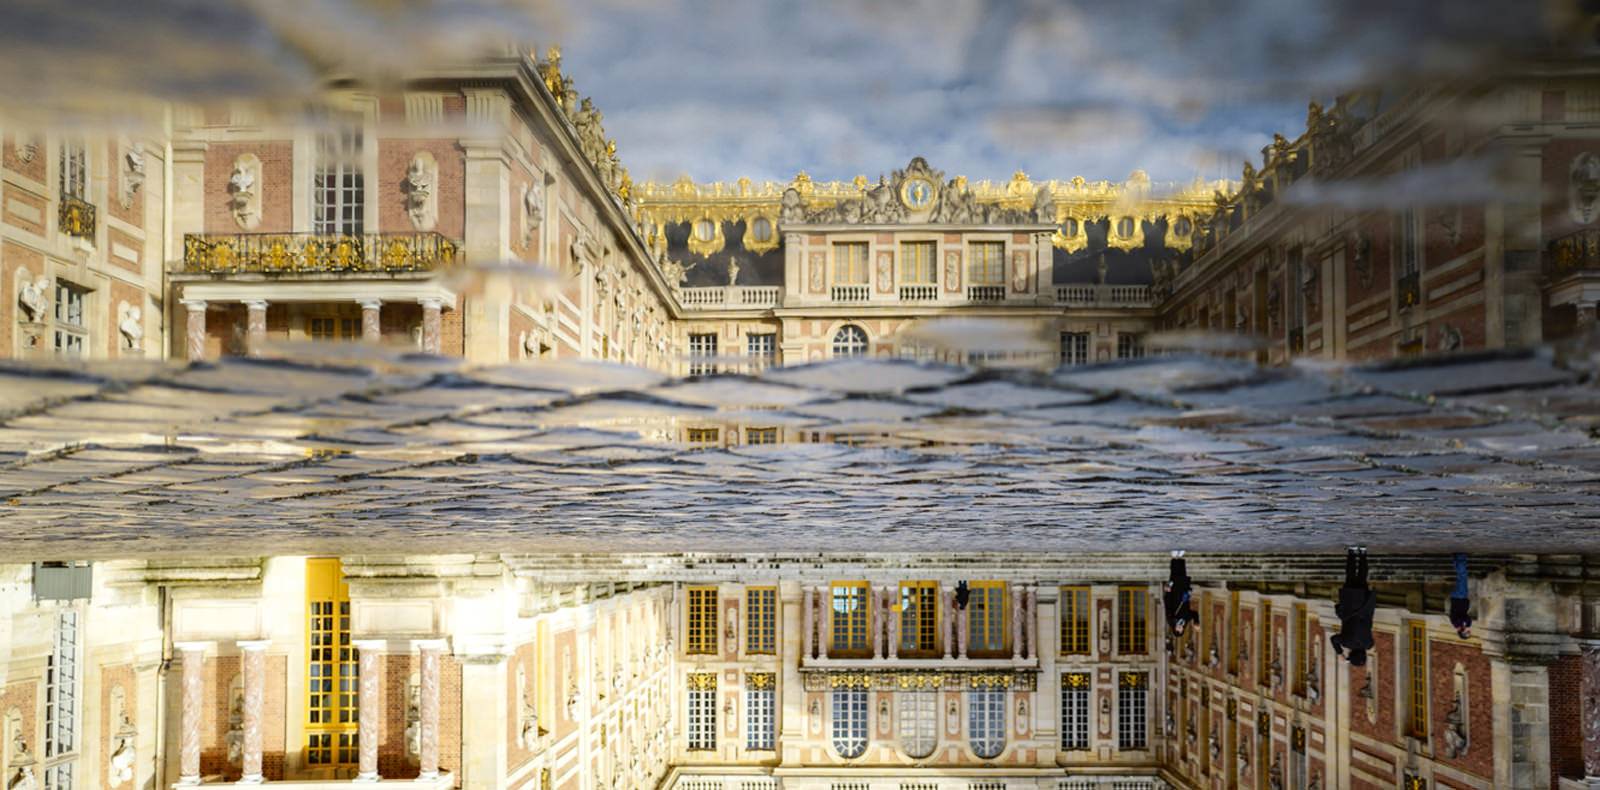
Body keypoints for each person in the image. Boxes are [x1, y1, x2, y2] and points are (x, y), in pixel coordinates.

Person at [1331, 546, 1377, 666]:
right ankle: (1352, 552)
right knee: (1350, 576)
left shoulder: (1369, 644)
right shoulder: (1346, 642)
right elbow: (1333, 639)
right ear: (1350, 654)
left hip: (1364, 604)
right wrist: (1340, 653)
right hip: (1349, 604)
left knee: (1362, 577)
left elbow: (1366, 641)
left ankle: (1363, 553)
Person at [1164, 550, 1199, 636]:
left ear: (1174, 628)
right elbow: (1194, 613)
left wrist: (1167, 592)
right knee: (1183, 575)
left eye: (1178, 629)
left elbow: (1168, 605)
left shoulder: (1171, 619)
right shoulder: (1186, 620)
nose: (1180, 628)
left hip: (1174, 594)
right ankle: (1180, 557)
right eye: (1181, 630)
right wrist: (1196, 622)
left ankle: (1174, 557)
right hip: (1184, 593)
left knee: (1174, 575)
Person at [1449, 553, 1473, 639]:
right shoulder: (1464, 624)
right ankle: (1456, 560)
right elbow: (1468, 618)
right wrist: (1466, 624)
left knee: (1462, 576)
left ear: (1462, 632)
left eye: (1467, 633)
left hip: (1458, 598)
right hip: (1463, 598)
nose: (1468, 631)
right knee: (1461, 577)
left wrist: (1464, 624)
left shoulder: (1455, 623)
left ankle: (1461, 557)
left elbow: (1462, 617)